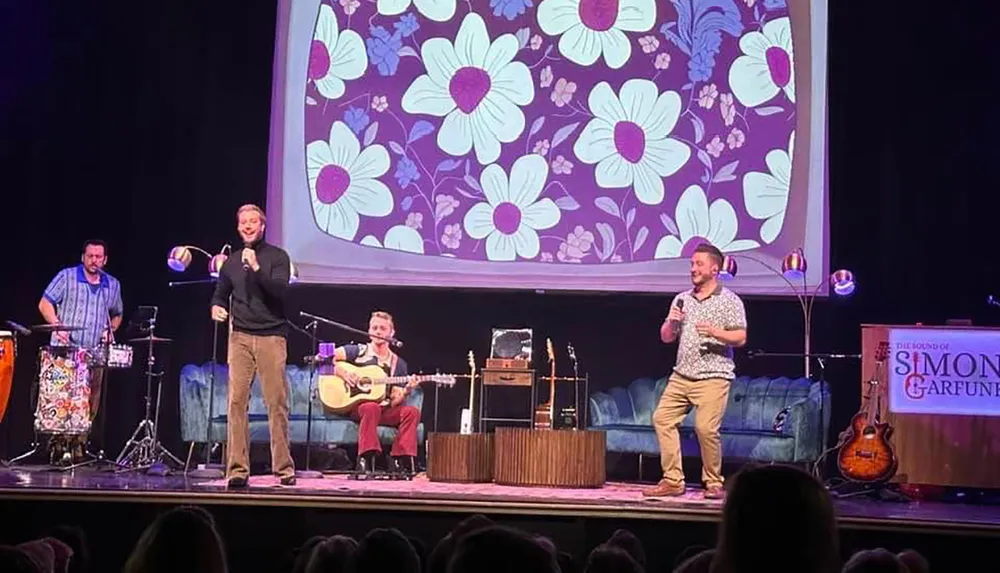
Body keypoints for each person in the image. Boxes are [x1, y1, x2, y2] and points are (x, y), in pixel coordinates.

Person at [644, 243, 746, 499]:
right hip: (682, 376)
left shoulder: (729, 300)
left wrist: (715, 332)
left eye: (699, 264)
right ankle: (673, 480)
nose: (693, 269)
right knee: (662, 419)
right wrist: (672, 321)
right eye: (692, 264)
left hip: (714, 376)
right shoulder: (682, 299)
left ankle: (713, 482)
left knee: (705, 428)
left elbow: (741, 337)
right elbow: (666, 337)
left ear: (715, 268)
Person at [210, 204, 295, 487]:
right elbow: (220, 294)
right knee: (236, 403)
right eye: (243, 222)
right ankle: (237, 470)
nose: (247, 226)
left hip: (272, 336)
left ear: (262, 226)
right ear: (238, 227)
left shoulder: (277, 257)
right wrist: (216, 307)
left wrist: (257, 269)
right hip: (240, 338)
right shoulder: (232, 262)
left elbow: (281, 292)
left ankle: (283, 469)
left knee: (276, 403)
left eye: (253, 222)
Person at [38, 239, 124, 463]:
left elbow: (117, 314)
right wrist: (57, 324)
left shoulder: (112, 285)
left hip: (93, 353)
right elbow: (44, 303)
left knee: (89, 401)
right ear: (83, 257)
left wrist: (110, 329)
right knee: (61, 399)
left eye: (98, 257)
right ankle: (57, 446)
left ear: (105, 260)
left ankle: (79, 446)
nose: (94, 260)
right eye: (90, 256)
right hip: (65, 351)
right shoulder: (67, 276)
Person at [329, 311, 420, 476]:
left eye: (383, 328)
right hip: (360, 407)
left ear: (391, 333)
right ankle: (365, 458)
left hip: (383, 409)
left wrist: (407, 391)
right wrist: (344, 373)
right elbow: (325, 356)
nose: (378, 332)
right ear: (369, 331)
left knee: (411, 412)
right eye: (374, 328)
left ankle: (399, 460)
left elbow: (394, 400)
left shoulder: (398, 363)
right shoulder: (357, 350)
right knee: (371, 407)